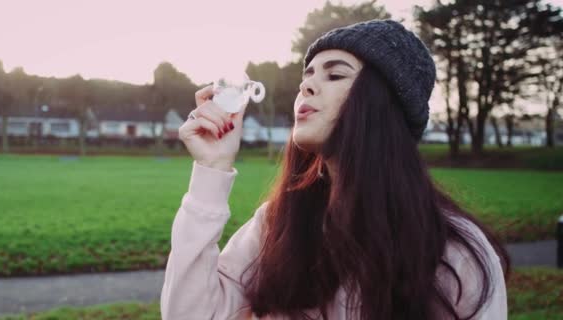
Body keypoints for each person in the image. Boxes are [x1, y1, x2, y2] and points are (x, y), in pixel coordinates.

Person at [160, 19, 509, 320]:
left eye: (335, 74)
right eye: (307, 75)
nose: (305, 86)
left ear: (383, 105)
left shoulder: (453, 252)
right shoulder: (276, 227)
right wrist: (213, 168)